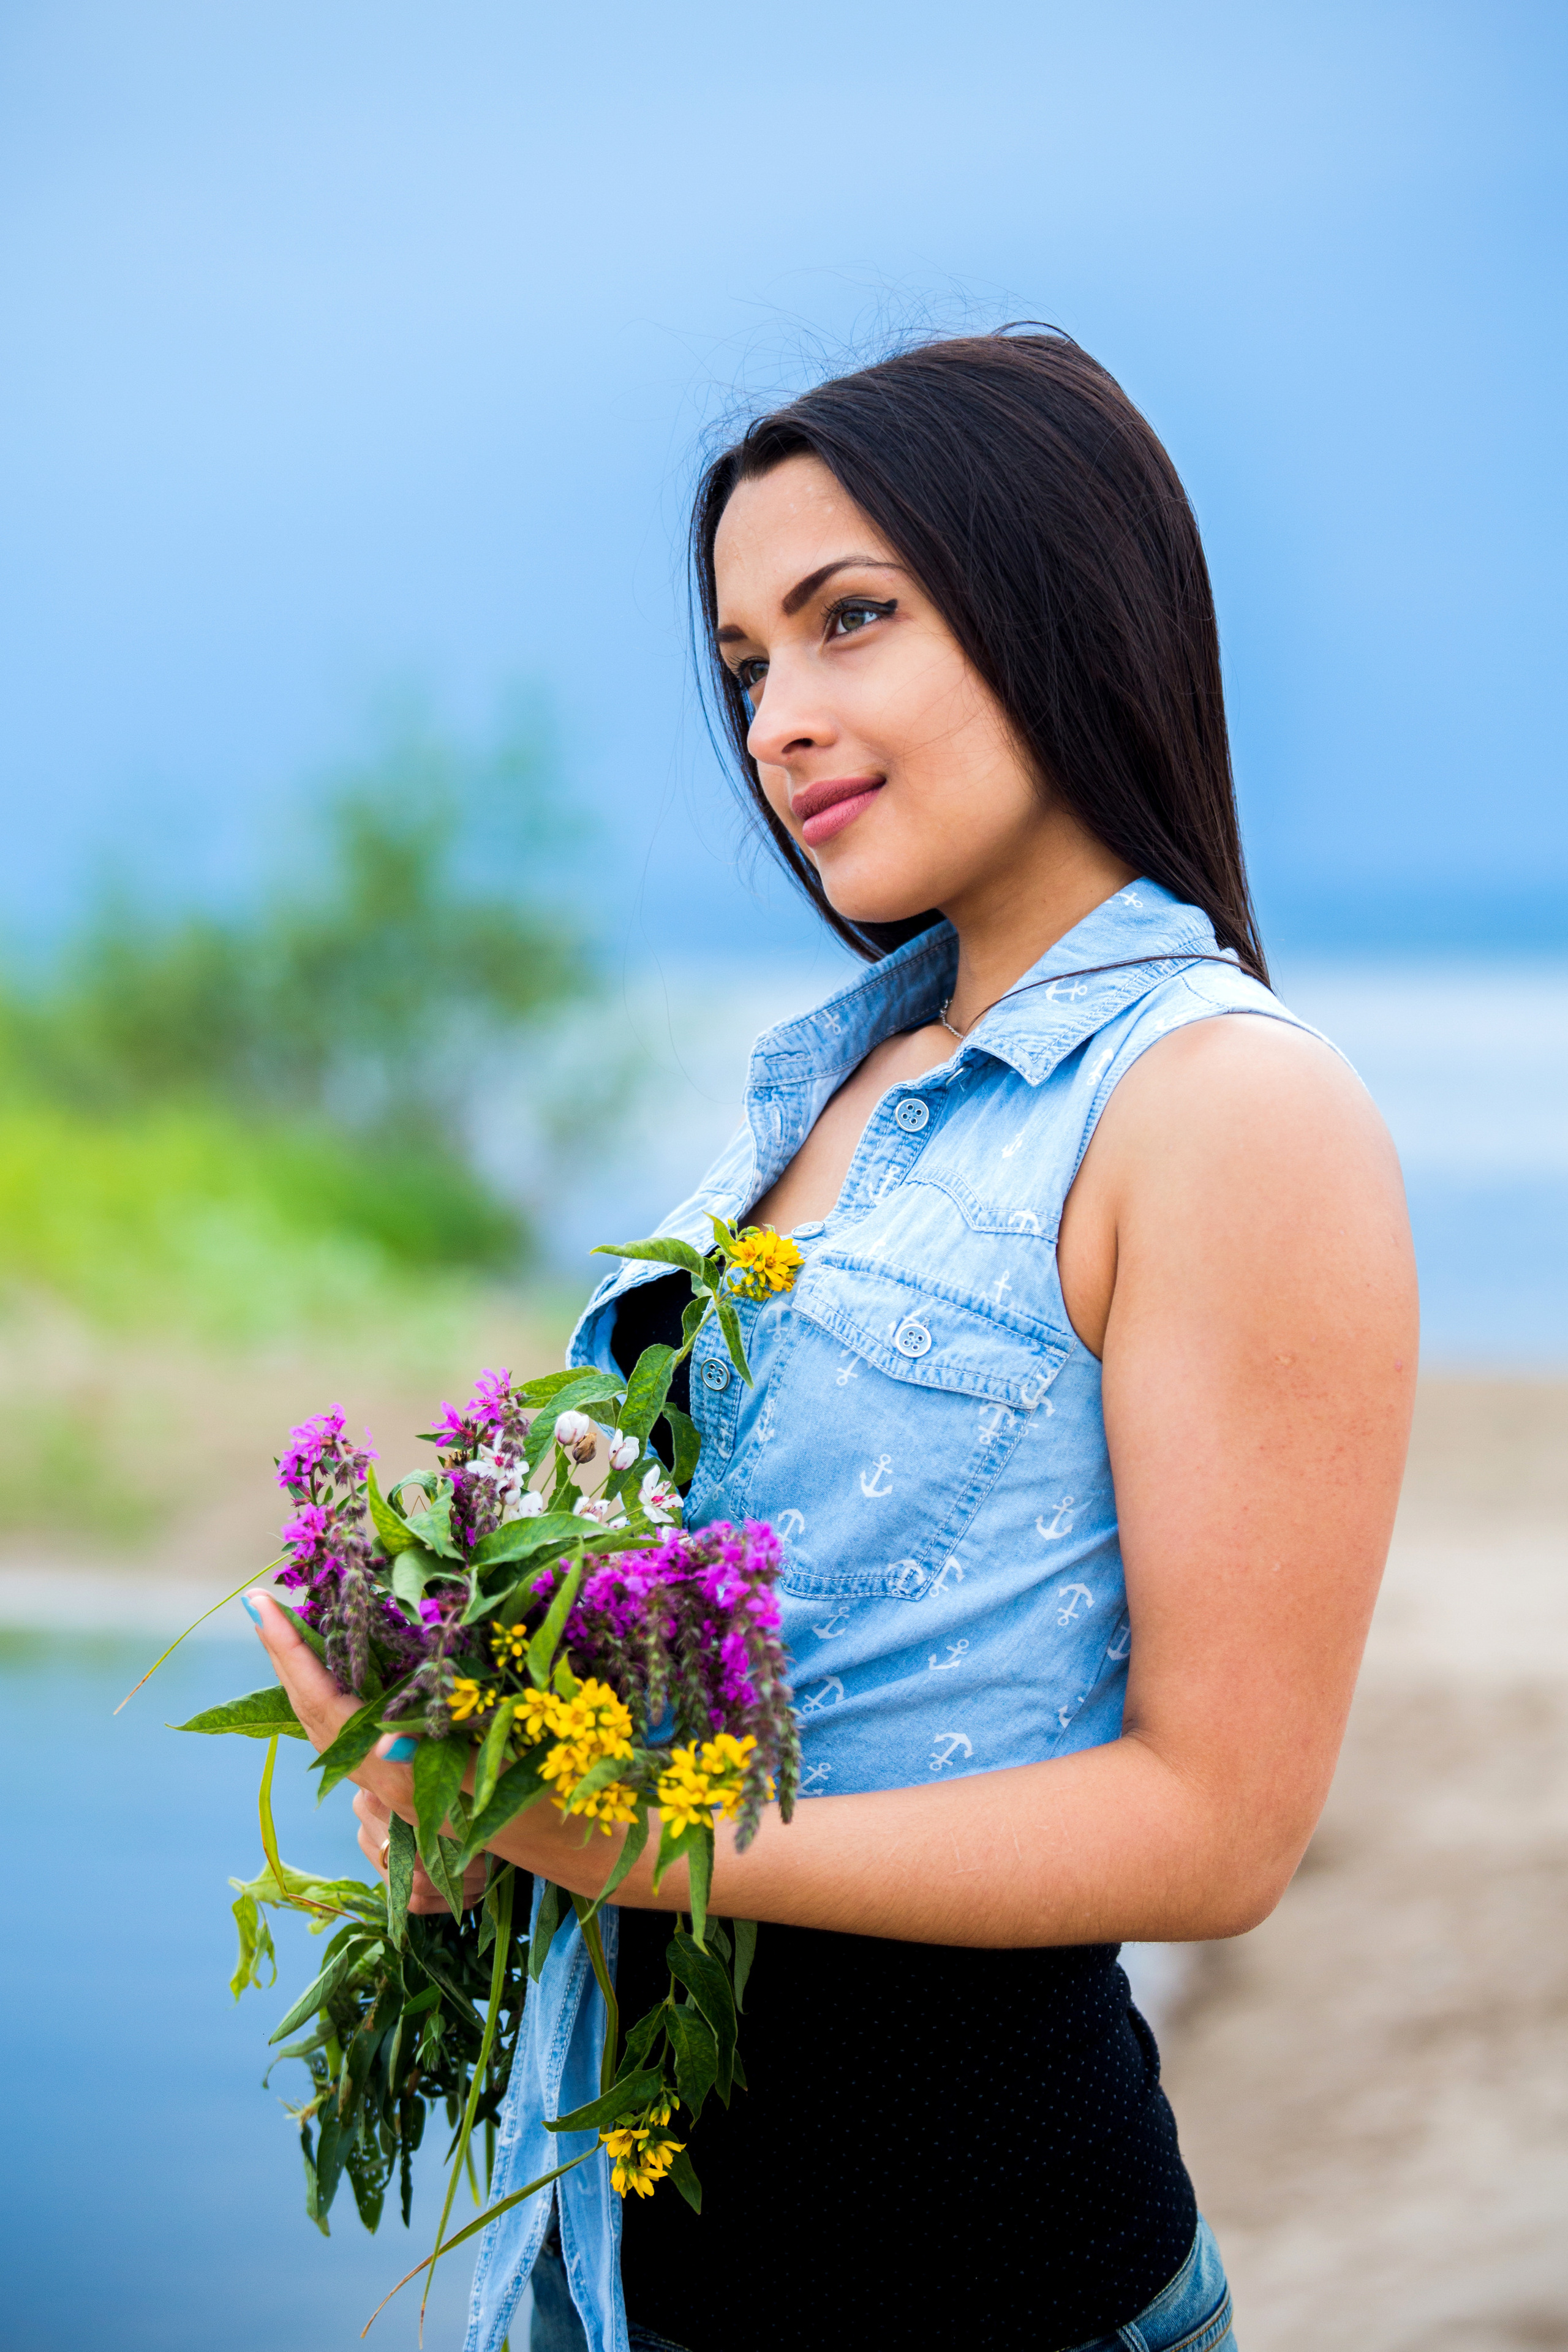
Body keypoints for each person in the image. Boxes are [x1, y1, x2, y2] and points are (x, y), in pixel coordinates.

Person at [249, 330, 1418, 2352]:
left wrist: (613, 1835)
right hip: (611, 2282)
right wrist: (462, 1780)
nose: (782, 720)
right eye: (744, 669)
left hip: (979, 2291)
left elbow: (1220, 1828)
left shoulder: (1225, 1106)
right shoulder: (826, 1082)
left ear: (1064, 600)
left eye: (848, 620)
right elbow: (739, 1656)